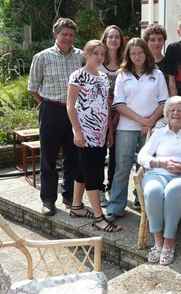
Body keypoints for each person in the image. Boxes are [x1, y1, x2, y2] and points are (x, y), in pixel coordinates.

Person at [107, 38, 168, 220]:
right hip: (127, 127)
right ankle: (116, 206)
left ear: (146, 54)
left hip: (151, 128)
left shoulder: (157, 74)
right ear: (128, 55)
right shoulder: (123, 75)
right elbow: (118, 104)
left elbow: (164, 101)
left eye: (140, 53)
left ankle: (141, 201)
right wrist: (142, 120)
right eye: (133, 53)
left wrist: (149, 121)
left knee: (146, 167)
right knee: (122, 167)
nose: (137, 56)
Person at [28, 18, 83, 216]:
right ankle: (48, 200)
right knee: (48, 158)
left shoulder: (81, 56)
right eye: (64, 34)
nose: (68, 38)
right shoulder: (42, 57)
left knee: (73, 156)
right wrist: (48, 105)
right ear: (55, 34)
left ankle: (69, 195)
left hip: (75, 113)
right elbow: (33, 88)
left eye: (71, 35)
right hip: (51, 110)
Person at [66, 40, 122, 233]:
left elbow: (106, 106)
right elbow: (70, 105)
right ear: (86, 54)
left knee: (83, 168)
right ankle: (99, 218)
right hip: (85, 133)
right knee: (93, 173)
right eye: (95, 53)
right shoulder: (78, 76)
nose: (99, 57)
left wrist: (109, 131)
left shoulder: (104, 77)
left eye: (102, 54)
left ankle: (76, 207)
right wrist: (77, 131)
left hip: (100, 133)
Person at [137, 96, 181, 266]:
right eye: (172, 110)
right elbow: (142, 156)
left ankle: (169, 241)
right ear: (166, 114)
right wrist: (160, 162)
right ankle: (158, 241)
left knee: (172, 191)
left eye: (180, 111)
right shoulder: (159, 132)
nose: (176, 113)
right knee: (153, 190)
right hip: (157, 173)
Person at [98, 25, 125, 208]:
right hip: (99, 116)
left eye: (117, 37)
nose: (114, 40)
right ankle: (98, 189)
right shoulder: (97, 62)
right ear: (105, 39)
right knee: (99, 154)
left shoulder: (126, 63)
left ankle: (112, 188)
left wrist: (116, 118)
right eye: (110, 37)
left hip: (121, 115)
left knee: (116, 155)